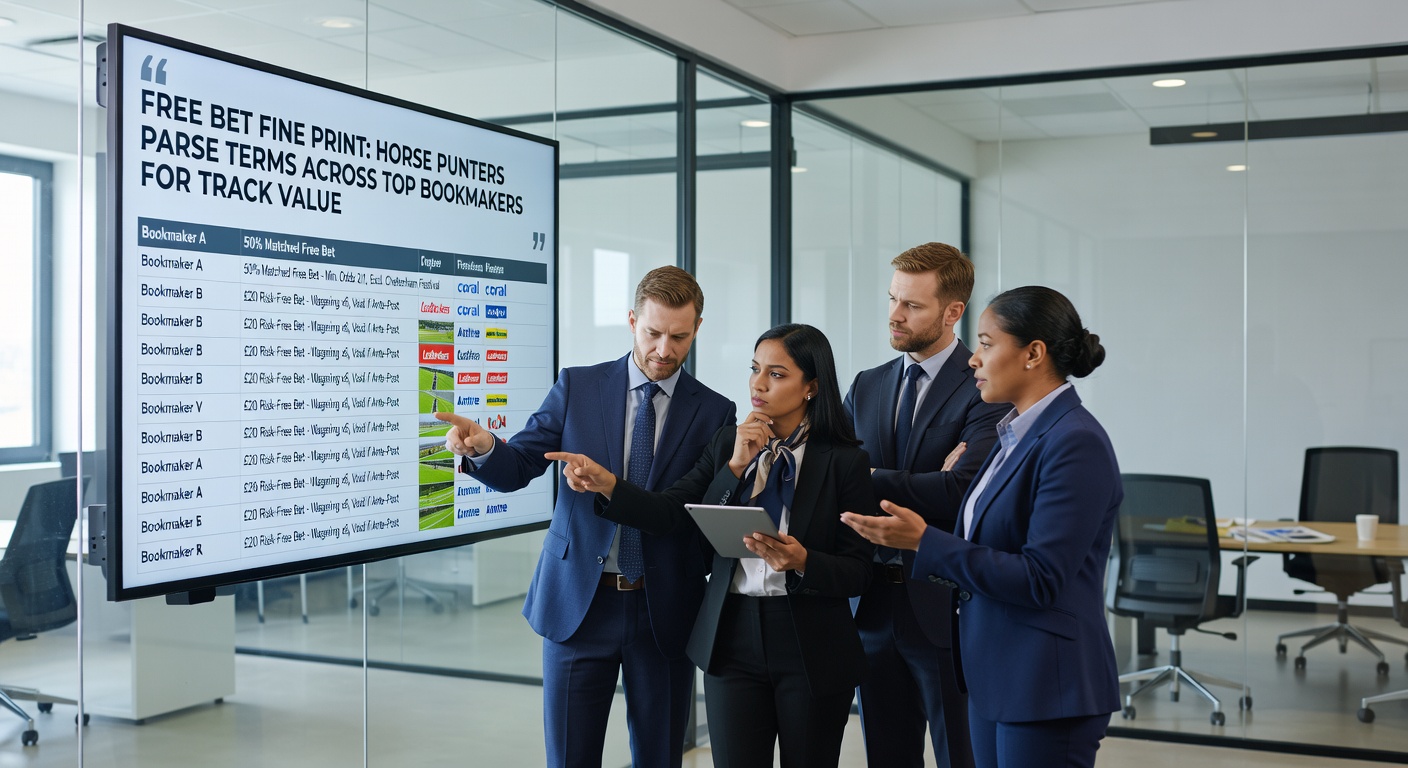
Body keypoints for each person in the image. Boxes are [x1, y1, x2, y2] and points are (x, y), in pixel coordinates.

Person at [434, 266, 736, 768]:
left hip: (663, 608)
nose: (664, 349)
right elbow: (522, 464)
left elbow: (691, 514)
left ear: (697, 328)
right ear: (632, 320)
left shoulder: (715, 412)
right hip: (577, 602)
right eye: (653, 333)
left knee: (660, 757)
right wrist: (486, 448)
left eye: (679, 337)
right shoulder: (578, 385)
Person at [548, 324, 876, 768]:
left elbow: (859, 571)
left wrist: (803, 561)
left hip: (810, 641)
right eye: (755, 369)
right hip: (731, 637)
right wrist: (733, 467)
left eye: (777, 374)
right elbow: (672, 512)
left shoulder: (845, 462)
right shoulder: (727, 444)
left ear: (811, 387)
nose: (759, 384)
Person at [841, 286, 1122, 768]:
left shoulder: (1075, 442)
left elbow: (1040, 578)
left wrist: (924, 541)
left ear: (1033, 354)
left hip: (1043, 683)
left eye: (987, 344)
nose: (974, 359)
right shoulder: (1013, 436)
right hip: (995, 673)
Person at [845, 242, 1006, 768]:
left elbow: (962, 490)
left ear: (952, 311)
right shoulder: (867, 386)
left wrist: (869, 477)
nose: (895, 314)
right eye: (893, 299)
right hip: (870, 605)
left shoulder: (985, 385)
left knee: (962, 755)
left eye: (912, 305)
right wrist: (926, 481)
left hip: (943, 606)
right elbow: (831, 479)